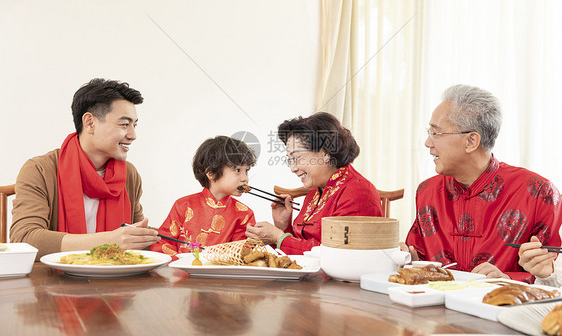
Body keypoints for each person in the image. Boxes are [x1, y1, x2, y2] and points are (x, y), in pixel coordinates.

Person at [401, 84, 562, 282]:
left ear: (471, 141)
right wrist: (408, 259)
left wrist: (506, 279)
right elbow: (418, 258)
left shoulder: (537, 192)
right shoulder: (427, 190)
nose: (428, 142)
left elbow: (551, 276)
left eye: (436, 133)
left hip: (502, 309)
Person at [9, 78, 159, 259]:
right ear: (89, 123)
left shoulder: (129, 174)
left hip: (116, 281)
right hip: (55, 283)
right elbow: (25, 238)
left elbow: (134, 235)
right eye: (124, 124)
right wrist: (109, 241)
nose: (133, 135)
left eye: (135, 125)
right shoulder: (40, 169)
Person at [245, 112, 383, 255]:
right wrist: (283, 226)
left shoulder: (358, 191)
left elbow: (339, 253)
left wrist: (279, 237)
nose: (293, 168)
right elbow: (304, 247)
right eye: (290, 160)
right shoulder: (314, 194)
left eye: (297, 157)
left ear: (325, 153)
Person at [151, 136, 256, 257]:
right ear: (211, 173)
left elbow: (241, 254)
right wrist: (178, 264)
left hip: (222, 274)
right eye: (237, 170)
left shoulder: (245, 214)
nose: (245, 178)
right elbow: (163, 241)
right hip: (180, 271)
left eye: (246, 170)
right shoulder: (183, 205)